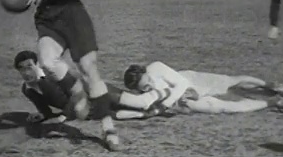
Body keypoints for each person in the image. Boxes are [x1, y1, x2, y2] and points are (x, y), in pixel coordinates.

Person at [5, 0, 118, 150]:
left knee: (89, 68)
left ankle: (108, 128)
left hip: (73, 15)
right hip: (47, 19)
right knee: (46, 60)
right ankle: (78, 92)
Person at [14, 50, 169, 123]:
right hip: (88, 108)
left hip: (98, 92)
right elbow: (46, 110)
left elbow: (71, 95)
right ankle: (163, 107)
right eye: (22, 68)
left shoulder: (50, 77)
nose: (26, 72)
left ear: (38, 65)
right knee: (125, 115)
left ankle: (167, 91)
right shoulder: (28, 89)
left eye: (30, 66)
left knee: (141, 103)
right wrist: (41, 115)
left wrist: (63, 116)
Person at [121, 61, 283, 114]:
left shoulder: (156, 67)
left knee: (230, 82)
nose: (150, 85)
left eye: (148, 79)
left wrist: (167, 103)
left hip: (190, 80)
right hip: (184, 99)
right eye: (145, 87)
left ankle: (266, 85)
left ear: (146, 71)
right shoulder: (145, 96)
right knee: (226, 108)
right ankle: (272, 102)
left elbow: (181, 83)